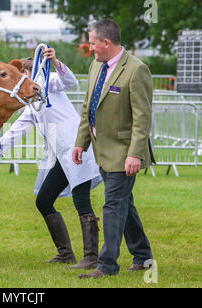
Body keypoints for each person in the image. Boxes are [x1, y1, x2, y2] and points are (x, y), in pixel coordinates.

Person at [0, 47, 103, 268]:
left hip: (78, 148)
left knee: (81, 198)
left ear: (26, 73)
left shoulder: (48, 81)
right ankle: (65, 253)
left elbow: (70, 82)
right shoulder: (31, 106)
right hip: (62, 157)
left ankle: (92, 257)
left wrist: (55, 61)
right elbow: (14, 133)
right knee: (44, 200)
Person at [73, 19, 155, 278]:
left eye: (93, 43)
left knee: (112, 206)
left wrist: (135, 153)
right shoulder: (96, 65)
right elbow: (88, 108)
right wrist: (80, 142)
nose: (90, 48)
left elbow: (143, 117)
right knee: (123, 204)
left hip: (124, 152)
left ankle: (106, 265)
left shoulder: (136, 70)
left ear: (106, 43)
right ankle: (142, 256)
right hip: (102, 150)